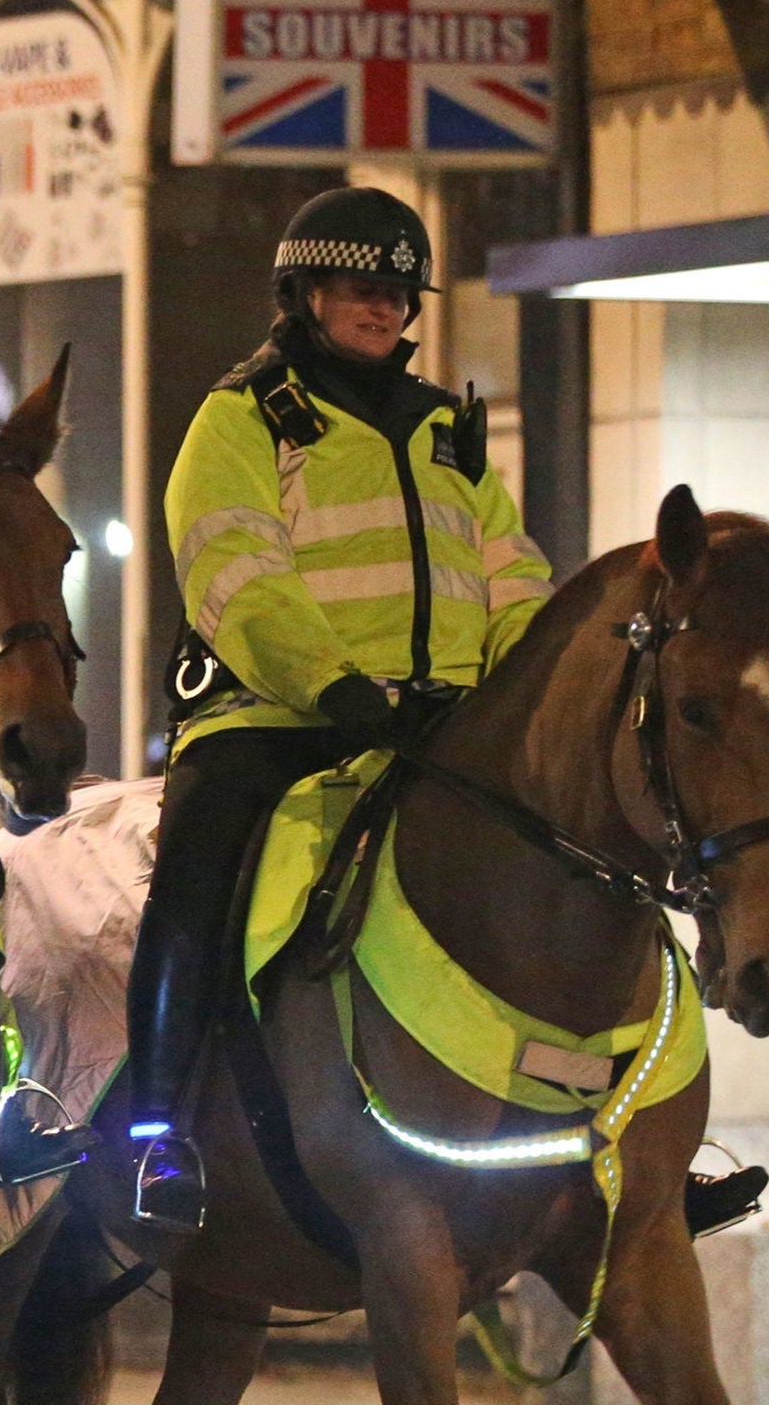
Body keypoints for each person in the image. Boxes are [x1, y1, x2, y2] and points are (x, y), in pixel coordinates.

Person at [130, 186, 551, 1231]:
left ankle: (634, 1138)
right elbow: (234, 572)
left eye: (399, 292)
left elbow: (510, 570)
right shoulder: (242, 417)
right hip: (277, 720)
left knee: (588, 854)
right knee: (192, 883)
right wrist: (334, 685)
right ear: (305, 293)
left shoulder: (447, 429)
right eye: (361, 287)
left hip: (438, 728)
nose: (383, 308)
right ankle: (153, 1133)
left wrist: (523, 684)